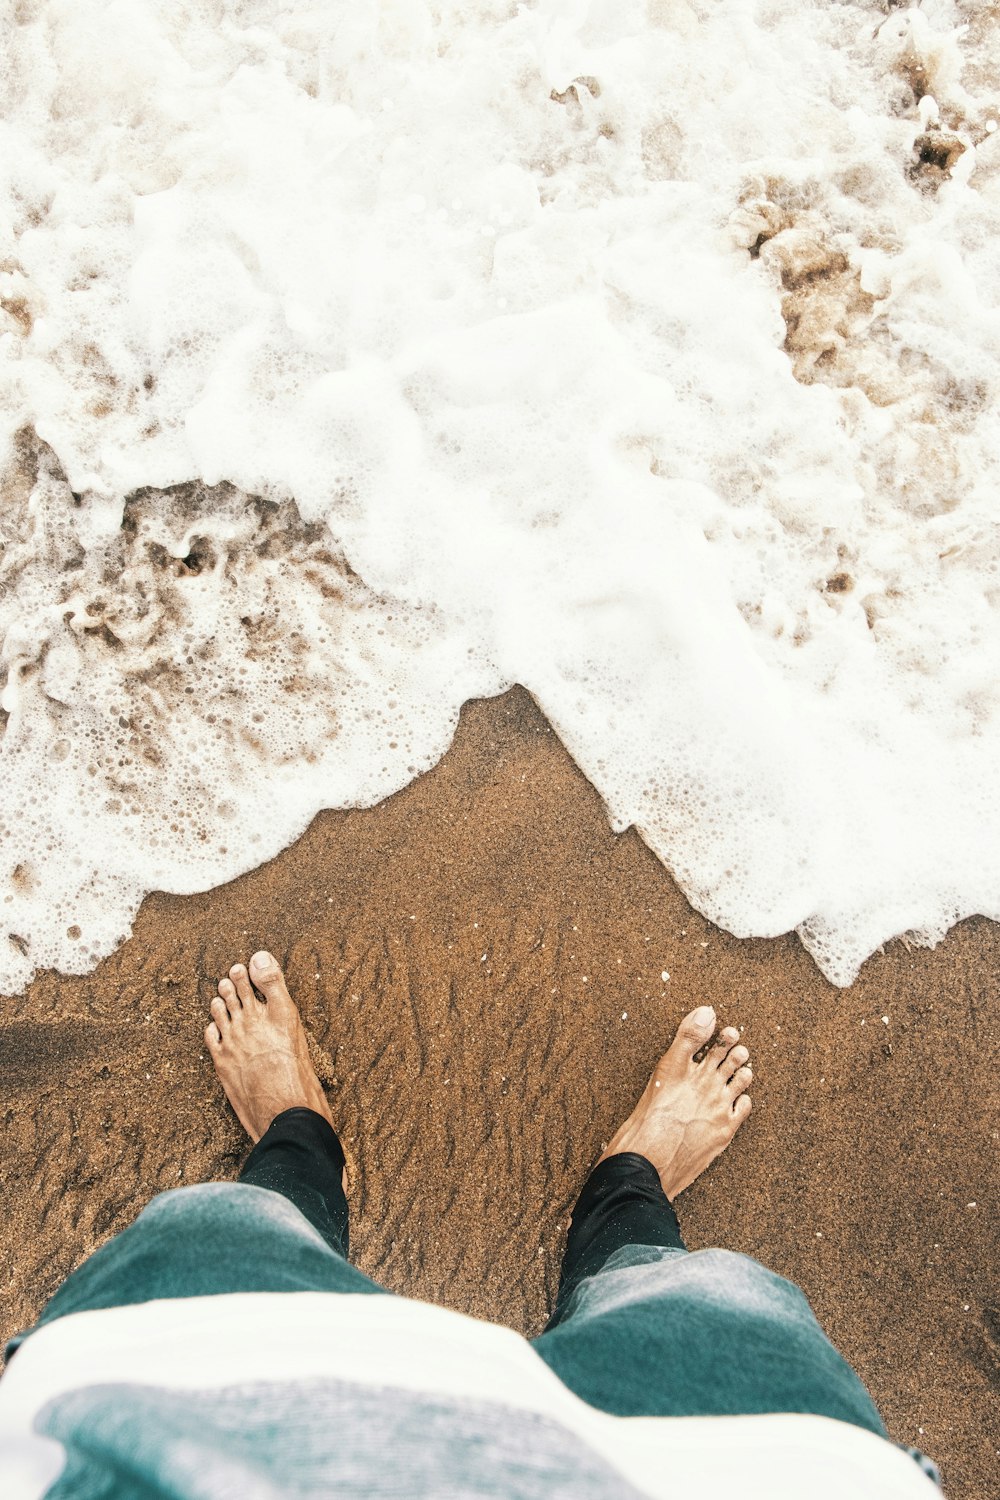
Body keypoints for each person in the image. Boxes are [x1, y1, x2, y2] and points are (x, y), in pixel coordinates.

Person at [2, 950, 940, 1497]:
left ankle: (296, 1145)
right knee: (712, 1309)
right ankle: (628, 1194)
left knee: (220, 1247)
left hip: (182, 1434)